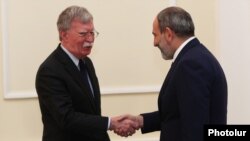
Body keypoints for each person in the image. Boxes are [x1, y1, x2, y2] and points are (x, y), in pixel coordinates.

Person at [116, 6, 228, 141]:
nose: (154, 42)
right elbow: (177, 114)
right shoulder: (195, 56)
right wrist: (141, 121)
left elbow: (195, 128)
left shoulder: (191, 64)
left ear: (168, 34)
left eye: (155, 35)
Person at [35, 5, 136, 141]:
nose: (90, 39)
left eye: (92, 33)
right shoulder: (49, 71)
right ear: (64, 34)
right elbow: (67, 118)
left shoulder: (86, 62)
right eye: (83, 34)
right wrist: (110, 123)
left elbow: (92, 112)